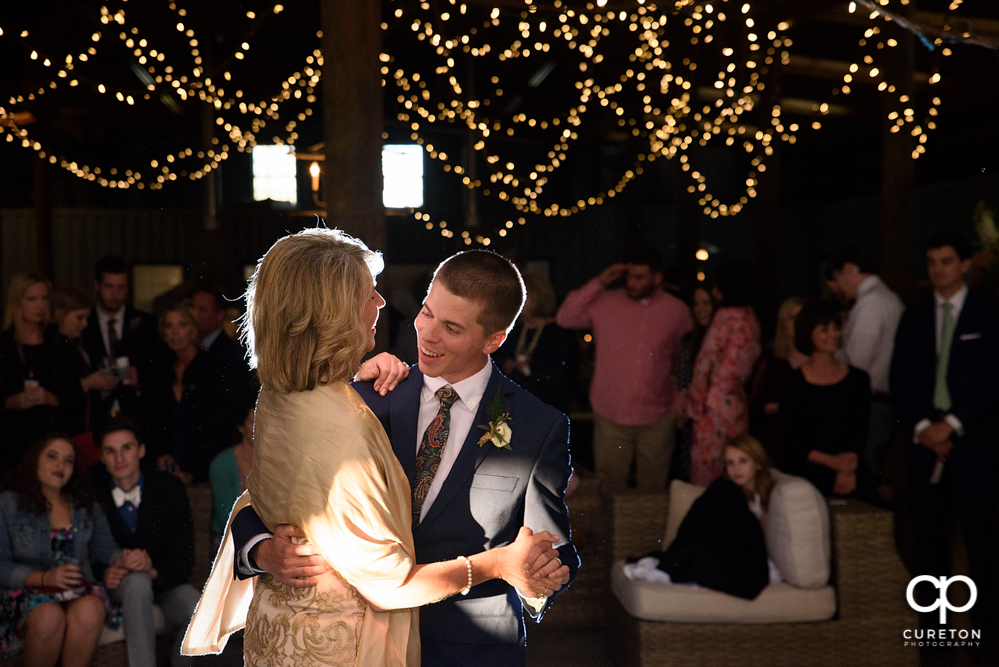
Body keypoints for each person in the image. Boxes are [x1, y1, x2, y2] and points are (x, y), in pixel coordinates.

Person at [185, 234, 571, 667]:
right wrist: (260, 549)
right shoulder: (362, 394)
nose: (426, 332)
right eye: (427, 312)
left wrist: (540, 576)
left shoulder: (539, 426)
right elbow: (271, 494)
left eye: (453, 328)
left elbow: (550, 545)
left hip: (468, 646)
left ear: (494, 340)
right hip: (356, 641)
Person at [890, 231, 999, 654]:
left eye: (947, 261)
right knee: (929, 549)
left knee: (982, 544)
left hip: (973, 447)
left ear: (966, 264)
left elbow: (994, 381)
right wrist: (924, 427)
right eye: (933, 261)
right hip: (923, 444)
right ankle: (934, 641)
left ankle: (987, 640)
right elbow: (899, 380)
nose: (939, 269)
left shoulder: (988, 315)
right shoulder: (914, 318)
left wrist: (951, 425)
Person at [557, 248, 692, 493]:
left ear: (657, 278)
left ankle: (649, 533)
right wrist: (600, 281)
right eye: (629, 276)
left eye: (639, 277)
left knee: (654, 489)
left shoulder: (677, 311)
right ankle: (610, 533)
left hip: (658, 416)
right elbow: (565, 317)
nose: (632, 282)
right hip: (610, 414)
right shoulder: (605, 302)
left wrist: (681, 393)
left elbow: (684, 358)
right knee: (609, 488)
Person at [0, 434, 122, 666]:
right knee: (49, 617)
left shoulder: (85, 504)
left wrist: (123, 559)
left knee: (91, 610)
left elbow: (106, 548)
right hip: (25, 594)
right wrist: (45, 577)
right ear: (35, 460)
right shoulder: (7, 504)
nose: (60, 465)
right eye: (52, 456)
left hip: (76, 590)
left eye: (68, 461)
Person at [91, 415, 199, 667]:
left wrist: (152, 571)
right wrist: (106, 571)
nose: (119, 458)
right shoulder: (92, 492)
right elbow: (86, 550)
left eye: (126, 448)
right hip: (115, 587)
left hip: (162, 583)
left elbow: (184, 556)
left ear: (141, 450)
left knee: (196, 605)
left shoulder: (169, 488)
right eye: (110, 451)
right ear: (102, 457)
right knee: (136, 582)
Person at [622, 434, 776, 600]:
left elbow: (755, 539)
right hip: (717, 543)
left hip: (737, 551)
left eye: (743, 461)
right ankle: (670, 568)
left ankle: (673, 569)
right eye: (730, 463)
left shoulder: (766, 496)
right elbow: (706, 520)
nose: (736, 469)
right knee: (704, 544)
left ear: (758, 463)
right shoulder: (727, 490)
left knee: (711, 553)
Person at [827, 245, 905, 484]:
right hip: (879, 399)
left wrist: (827, 355)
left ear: (849, 269)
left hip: (873, 401)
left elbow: (858, 360)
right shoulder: (884, 299)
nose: (838, 287)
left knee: (865, 471)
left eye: (837, 278)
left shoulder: (872, 303)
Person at [780, 301, 873, 498]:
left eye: (836, 328)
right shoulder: (793, 383)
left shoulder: (858, 379)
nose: (833, 335)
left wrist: (845, 469)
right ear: (808, 333)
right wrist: (833, 462)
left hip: (851, 468)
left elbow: (860, 431)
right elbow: (793, 441)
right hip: (809, 471)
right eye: (824, 329)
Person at [687, 261, 761, 486]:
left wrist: (693, 406)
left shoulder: (725, 316)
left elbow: (704, 365)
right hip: (737, 401)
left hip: (713, 404)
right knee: (735, 466)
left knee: (709, 468)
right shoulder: (751, 318)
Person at [0, 273, 84, 471]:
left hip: (53, 439)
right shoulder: (4, 347)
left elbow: (76, 395)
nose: (40, 305)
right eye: (32, 299)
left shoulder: (60, 344)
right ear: (17, 302)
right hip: (11, 443)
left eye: (44, 299)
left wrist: (50, 398)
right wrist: (11, 402)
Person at [144, 301, 224, 484]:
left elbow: (216, 428)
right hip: (166, 470)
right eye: (169, 326)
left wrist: (195, 472)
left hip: (205, 471)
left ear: (192, 329)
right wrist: (161, 454)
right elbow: (152, 421)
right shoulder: (159, 370)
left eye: (182, 325)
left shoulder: (211, 369)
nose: (175, 332)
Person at [80, 256, 162, 429]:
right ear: (97, 285)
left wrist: (139, 376)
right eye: (108, 287)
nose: (114, 295)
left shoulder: (147, 324)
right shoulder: (84, 324)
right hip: (95, 417)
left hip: (138, 417)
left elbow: (161, 371)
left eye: (121, 288)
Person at [51, 287, 120, 466]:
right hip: (70, 435)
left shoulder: (74, 346)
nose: (85, 324)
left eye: (86, 318)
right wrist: (87, 383)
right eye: (79, 318)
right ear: (59, 314)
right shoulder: (54, 348)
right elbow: (57, 393)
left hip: (86, 433)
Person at [496, 272, 579, 413]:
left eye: (522, 295)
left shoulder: (559, 333)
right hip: (514, 407)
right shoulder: (514, 329)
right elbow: (498, 359)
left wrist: (529, 372)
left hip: (547, 408)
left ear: (538, 297)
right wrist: (507, 365)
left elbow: (563, 378)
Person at [191, 284, 258, 444]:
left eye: (202, 310)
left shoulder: (233, 355)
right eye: (193, 308)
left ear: (220, 315)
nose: (194, 315)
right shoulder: (190, 349)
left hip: (217, 443)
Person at [747, 296, 808, 470]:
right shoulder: (771, 359)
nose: (800, 324)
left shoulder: (817, 359)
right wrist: (779, 407)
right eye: (795, 318)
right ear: (784, 322)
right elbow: (754, 403)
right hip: (776, 438)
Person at [671, 286, 716, 481]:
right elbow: (683, 383)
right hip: (694, 420)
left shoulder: (725, 341)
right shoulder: (688, 341)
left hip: (718, 417)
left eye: (706, 302)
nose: (700, 308)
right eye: (696, 303)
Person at [209, 402, 255, 550]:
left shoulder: (276, 460)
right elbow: (227, 517)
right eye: (253, 422)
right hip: (231, 541)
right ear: (241, 426)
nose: (259, 427)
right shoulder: (223, 464)